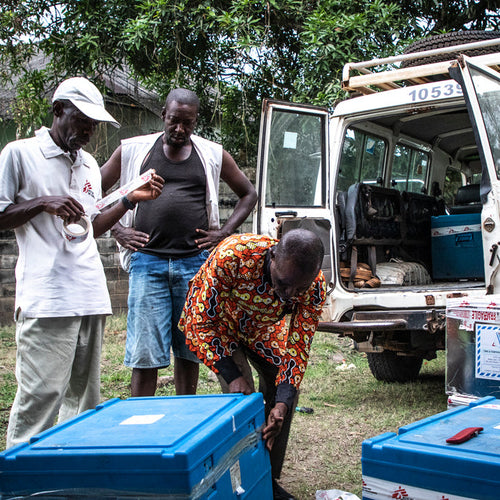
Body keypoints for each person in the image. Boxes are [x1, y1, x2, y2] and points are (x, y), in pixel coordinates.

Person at [0, 77, 164, 449]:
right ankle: (20, 483)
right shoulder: (19, 153)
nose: (90, 130)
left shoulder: (88, 163)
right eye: (82, 120)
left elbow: (88, 227)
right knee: (40, 399)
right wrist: (43, 203)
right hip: (47, 299)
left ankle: (67, 475)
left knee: (83, 403)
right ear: (58, 111)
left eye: (94, 124)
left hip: (89, 294)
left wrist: (128, 200)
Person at [100, 88, 257, 397]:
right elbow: (91, 192)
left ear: (195, 121)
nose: (180, 129)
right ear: (163, 115)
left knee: (189, 350)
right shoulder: (133, 150)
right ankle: (141, 425)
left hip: (194, 265)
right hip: (147, 261)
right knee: (145, 355)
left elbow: (248, 194)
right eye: (174, 121)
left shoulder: (211, 153)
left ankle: (183, 418)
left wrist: (223, 232)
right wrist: (117, 230)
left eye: (187, 123)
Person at [179, 229, 327, 500]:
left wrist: (280, 404)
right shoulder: (234, 255)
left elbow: (298, 347)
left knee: (286, 394)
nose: (290, 295)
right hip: (218, 324)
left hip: (258, 328)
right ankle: (242, 479)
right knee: (242, 396)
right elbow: (198, 320)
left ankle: (266, 476)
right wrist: (232, 375)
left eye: (300, 288)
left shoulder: (314, 286)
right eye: (283, 284)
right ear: (272, 256)